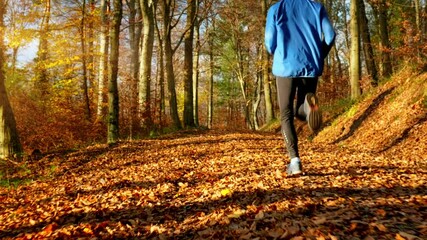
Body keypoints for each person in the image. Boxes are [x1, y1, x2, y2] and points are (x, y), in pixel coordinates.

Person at [265, 0, 336, 176]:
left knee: (286, 113)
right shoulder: (316, 7)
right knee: (301, 110)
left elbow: (269, 41)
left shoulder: (276, 9)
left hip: (285, 66)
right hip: (311, 66)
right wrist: (319, 55)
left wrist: (275, 51)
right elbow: (330, 35)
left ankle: (295, 161)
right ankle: (309, 109)